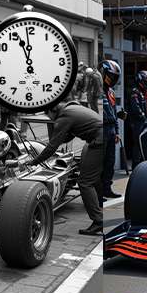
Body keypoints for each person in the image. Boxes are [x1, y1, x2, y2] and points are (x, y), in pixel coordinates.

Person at [25, 100, 103, 235]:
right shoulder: (73, 109)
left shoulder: (64, 117)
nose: (49, 118)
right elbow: (65, 138)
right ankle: (99, 211)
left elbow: (52, 147)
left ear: (54, 109)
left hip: (99, 141)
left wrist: (35, 161)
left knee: (84, 182)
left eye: (48, 114)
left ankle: (98, 221)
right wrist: (55, 131)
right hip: (105, 136)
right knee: (92, 177)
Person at [102, 60, 125, 199]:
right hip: (101, 129)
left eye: (116, 76)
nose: (114, 79)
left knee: (110, 161)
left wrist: (117, 131)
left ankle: (106, 188)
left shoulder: (111, 92)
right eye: (111, 75)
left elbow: (113, 110)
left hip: (111, 130)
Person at [127, 70, 147, 170]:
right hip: (137, 122)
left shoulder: (141, 92)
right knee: (138, 144)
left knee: (142, 143)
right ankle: (136, 166)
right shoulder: (134, 91)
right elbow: (136, 108)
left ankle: (142, 165)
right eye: (146, 82)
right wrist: (144, 117)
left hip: (142, 121)